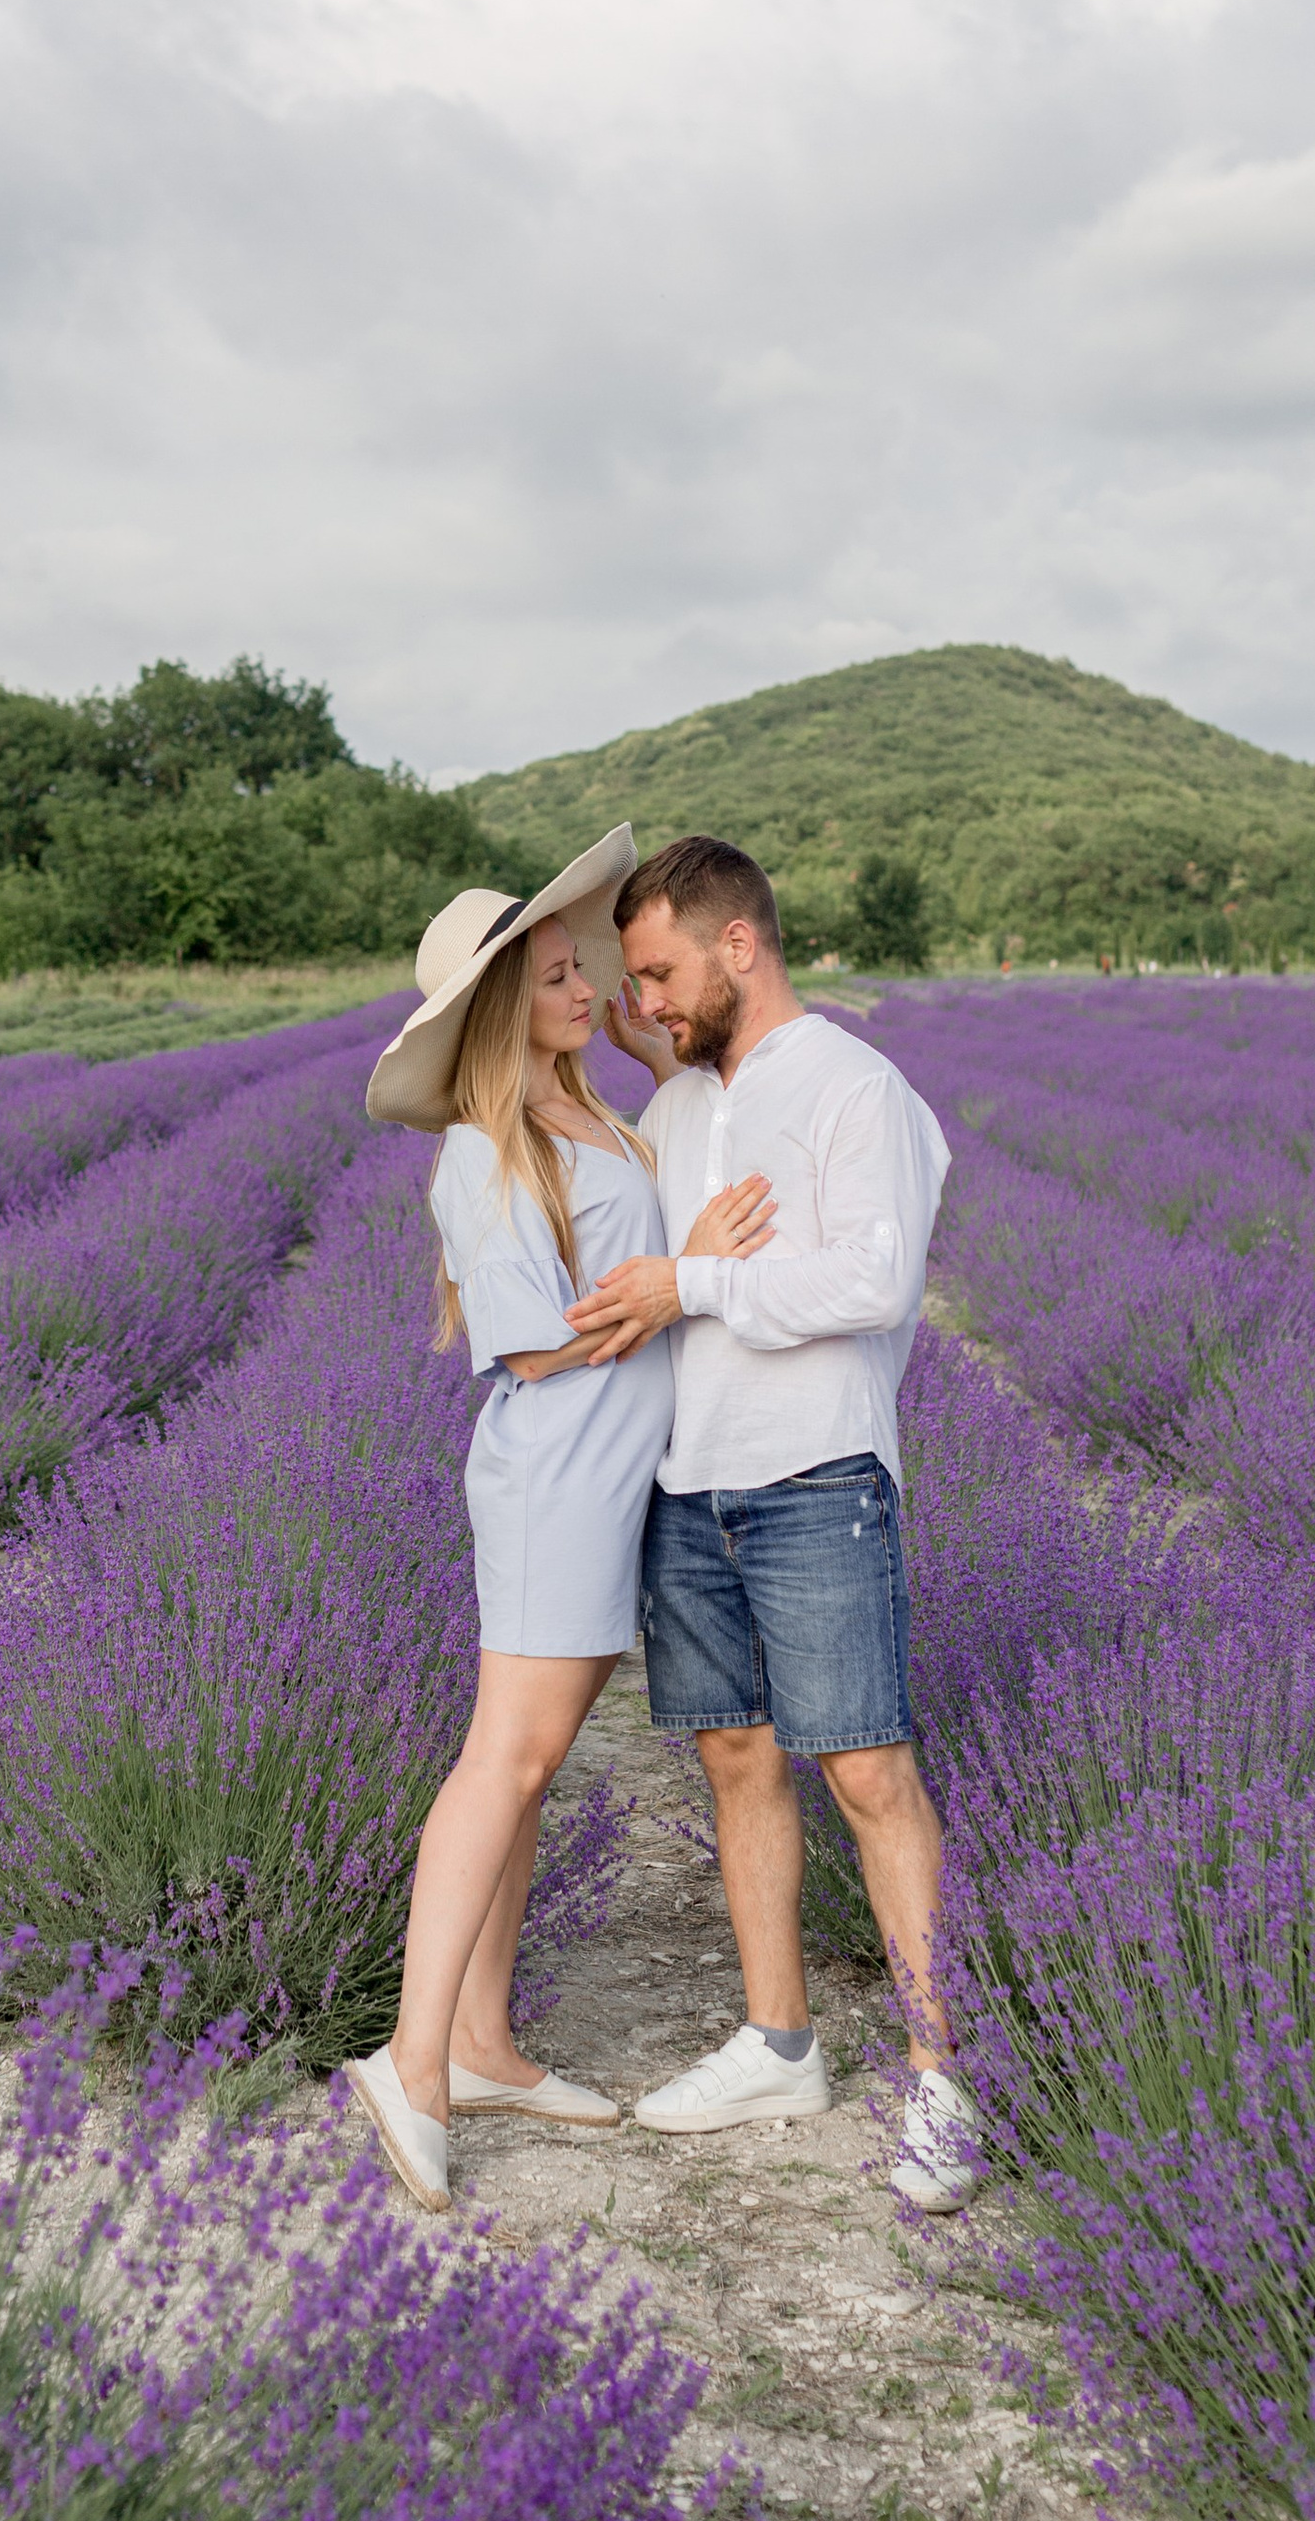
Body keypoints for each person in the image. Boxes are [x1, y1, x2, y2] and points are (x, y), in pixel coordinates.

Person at [340, 829, 776, 2214]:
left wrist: (655, 1063)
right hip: (553, 1482)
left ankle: (483, 2047)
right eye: (548, 978)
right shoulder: (487, 1150)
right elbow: (533, 1345)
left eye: (576, 964)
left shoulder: (591, 1114)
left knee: (528, 1767)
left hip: (609, 1479)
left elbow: (687, 1138)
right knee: (505, 1765)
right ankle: (412, 2062)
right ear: (492, 1014)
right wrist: (686, 1272)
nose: (583, 984)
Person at [566, 833, 982, 2214]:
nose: (654, 1001)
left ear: (737, 943)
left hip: (815, 1476)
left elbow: (870, 1279)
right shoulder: (687, 1104)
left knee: (868, 1771)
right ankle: (777, 2043)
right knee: (738, 1759)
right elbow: (666, 1258)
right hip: (692, 1477)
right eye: (638, 981)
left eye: (665, 971)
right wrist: (693, 1259)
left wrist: (696, 1282)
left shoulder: (861, 1088)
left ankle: (942, 2080)